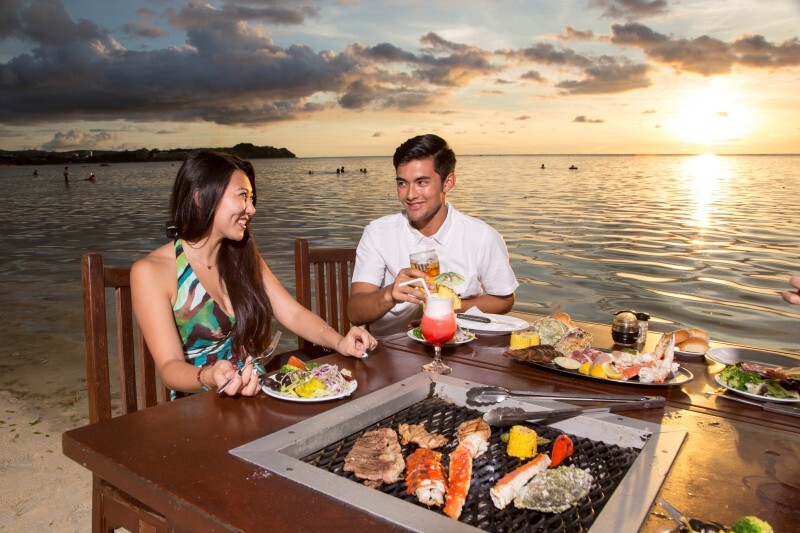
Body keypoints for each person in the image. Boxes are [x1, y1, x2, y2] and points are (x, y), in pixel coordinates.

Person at [131, 151, 377, 396]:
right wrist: (211, 376)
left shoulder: (242, 256)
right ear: (200, 197)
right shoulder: (152, 272)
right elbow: (169, 367)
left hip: (256, 390)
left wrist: (339, 342)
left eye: (251, 198)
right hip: (200, 402)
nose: (251, 209)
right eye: (242, 196)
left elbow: (292, 313)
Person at [348, 134, 518, 336]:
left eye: (421, 182)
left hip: (456, 345)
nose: (410, 195)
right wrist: (389, 294)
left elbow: (504, 299)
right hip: (389, 347)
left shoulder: (482, 236)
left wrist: (450, 307)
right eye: (402, 183)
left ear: (447, 183)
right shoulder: (378, 233)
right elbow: (355, 313)